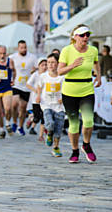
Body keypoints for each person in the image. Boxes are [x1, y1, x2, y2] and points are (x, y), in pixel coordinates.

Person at [58, 24, 101, 163]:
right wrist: (72, 65)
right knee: (74, 124)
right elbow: (59, 71)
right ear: (75, 37)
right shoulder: (67, 50)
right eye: (82, 35)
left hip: (87, 88)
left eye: (87, 34)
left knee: (89, 121)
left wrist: (99, 76)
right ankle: (75, 151)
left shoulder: (93, 50)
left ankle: (86, 145)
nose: (85, 37)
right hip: (70, 90)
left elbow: (96, 63)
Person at [36, 53, 65, 157]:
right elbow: (39, 87)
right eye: (48, 62)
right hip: (46, 105)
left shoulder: (62, 77)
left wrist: (63, 98)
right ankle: (49, 133)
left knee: (58, 128)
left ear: (58, 64)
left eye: (53, 62)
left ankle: (56, 147)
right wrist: (38, 96)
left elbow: (66, 89)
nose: (50, 65)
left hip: (59, 106)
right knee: (50, 123)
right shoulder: (43, 76)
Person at [9, 40, 37, 135]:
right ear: (18, 48)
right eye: (21, 47)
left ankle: (20, 127)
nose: (24, 49)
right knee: (14, 104)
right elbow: (8, 69)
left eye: (25, 47)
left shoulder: (32, 57)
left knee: (23, 108)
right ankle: (14, 122)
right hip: (16, 84)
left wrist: (34, 71)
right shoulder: (12, 57)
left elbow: (37, 67)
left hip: (27, 86)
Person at [26, 57, 47, 141]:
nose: (44, 67)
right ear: (38, 66)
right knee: (37, 117)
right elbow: (28, 84)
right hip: (36, 99)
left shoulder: (48, 75)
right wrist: (35, 90)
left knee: (43, 117)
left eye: (46, 65)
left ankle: (41, 135)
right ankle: (31, 119)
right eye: (42, 65)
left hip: (45, 100)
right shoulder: (35, 74)